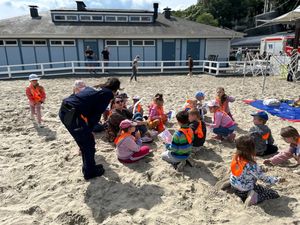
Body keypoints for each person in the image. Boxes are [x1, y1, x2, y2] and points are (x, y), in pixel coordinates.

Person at [59, 78, 122, 180]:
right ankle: (89, 172)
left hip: (65, 110)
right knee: (88, 144)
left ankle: (89, 167)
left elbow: (77, 98)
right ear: (115, 88)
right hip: (73, 115)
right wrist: (90, 129)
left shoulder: (96, 87)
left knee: (85, 143)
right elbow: (97, 113)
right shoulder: (107, 93)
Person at [230, 135, 284, 206]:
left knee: (253, 184)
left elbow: (245, 171)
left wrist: (260, 168)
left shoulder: (236, 157)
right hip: (244, 190)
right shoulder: (252, 165)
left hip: (234, 186)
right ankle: (255, 199)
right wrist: (276, 179)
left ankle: (243, 197)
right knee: (273, 193)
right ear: (252, 149)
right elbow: (264, 179)